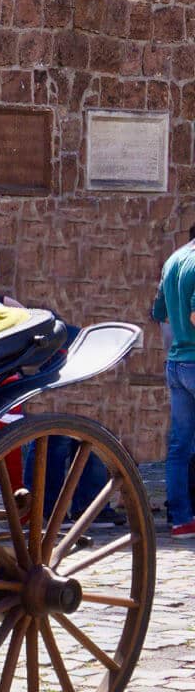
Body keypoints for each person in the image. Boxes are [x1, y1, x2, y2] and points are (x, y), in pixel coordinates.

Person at [154, 224, 195, 537]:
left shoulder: (172, 260)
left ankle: (181, 519)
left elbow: (159, 311)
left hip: (177, 362)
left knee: (179, 447)